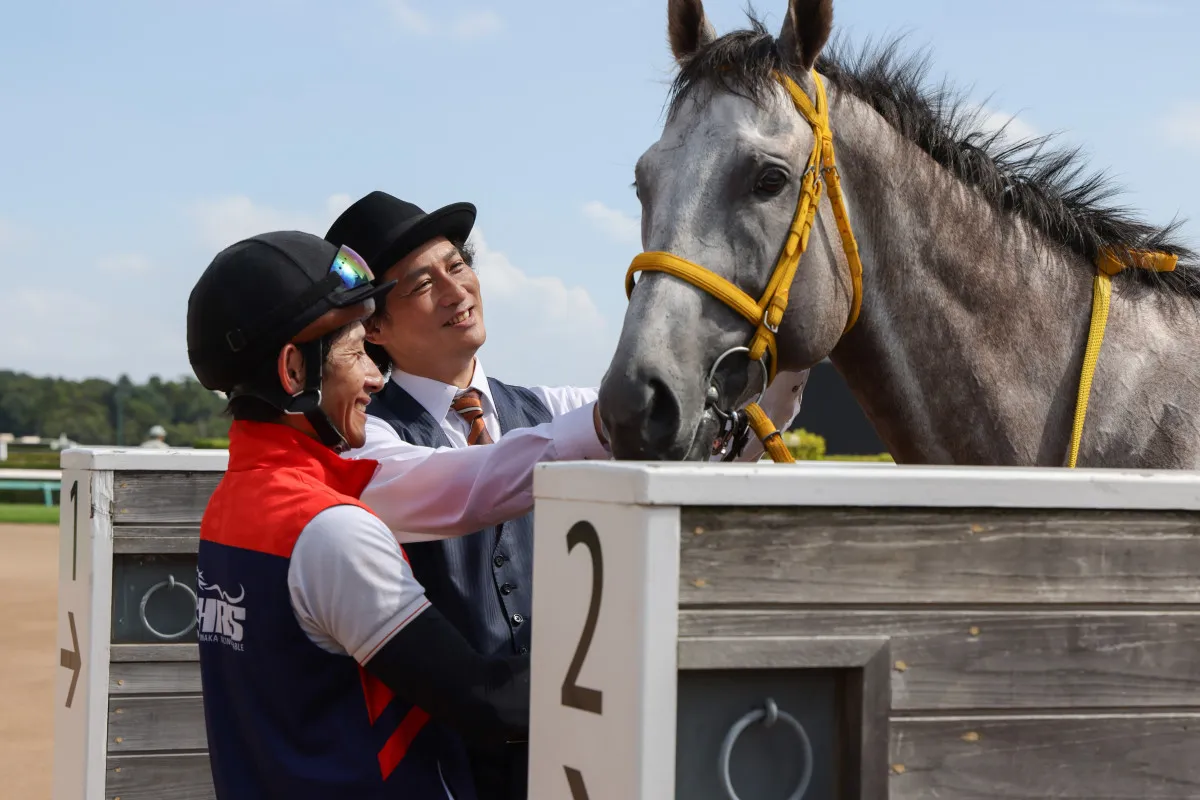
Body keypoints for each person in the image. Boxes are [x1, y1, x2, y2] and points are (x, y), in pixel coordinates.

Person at [324, 191, 808, 800]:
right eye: (422, 284)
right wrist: (612, 424)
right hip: (441, 761)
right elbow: (469, 486)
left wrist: (787, 359)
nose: (456, 291)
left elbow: (700, 446)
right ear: (373, 325)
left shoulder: (547, 409)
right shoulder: (366, 441)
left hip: (571, 740)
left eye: (458, 264)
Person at [185, 230, 536, 800]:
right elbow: (484, 703)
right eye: (356, 354)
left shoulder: (232, 504)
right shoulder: (331, 530)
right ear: (293, 372)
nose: (376, 377)